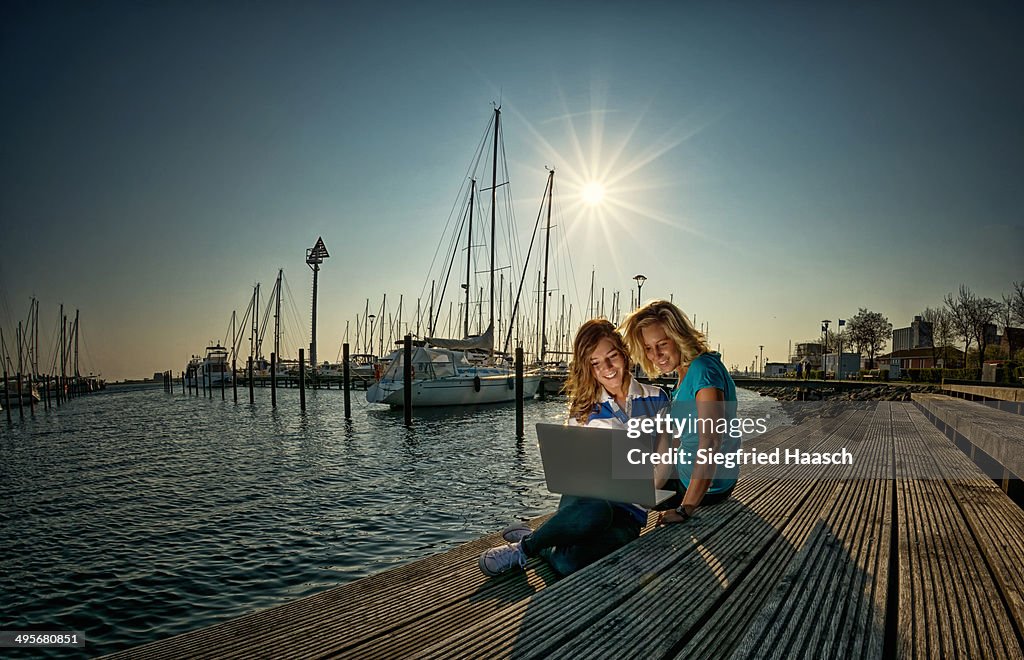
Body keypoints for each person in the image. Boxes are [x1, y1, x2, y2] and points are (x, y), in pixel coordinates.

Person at [478, 319, 669, 578]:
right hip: (586, 503)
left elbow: (664, 460)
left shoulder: (657, 398)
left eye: (612, 357)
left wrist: (648, 493)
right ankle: (523, 549)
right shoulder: (584, 410)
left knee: (568, 564)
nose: (608, 368)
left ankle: (540, 541)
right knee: (598, 510)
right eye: (595, 363)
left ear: (624, 354)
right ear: (587, 368)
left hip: (630, 512)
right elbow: (575, 469)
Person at [619, 300, 739, 524]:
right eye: (648, 348)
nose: (656, 355)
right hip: (697, 478)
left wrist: (685, 509)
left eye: (662, 344)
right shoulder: (687, 373)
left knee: (611, 491)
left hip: (702, 489)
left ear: (678, 337)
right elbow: (683, 437)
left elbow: (712, 441)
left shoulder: (704, 370)